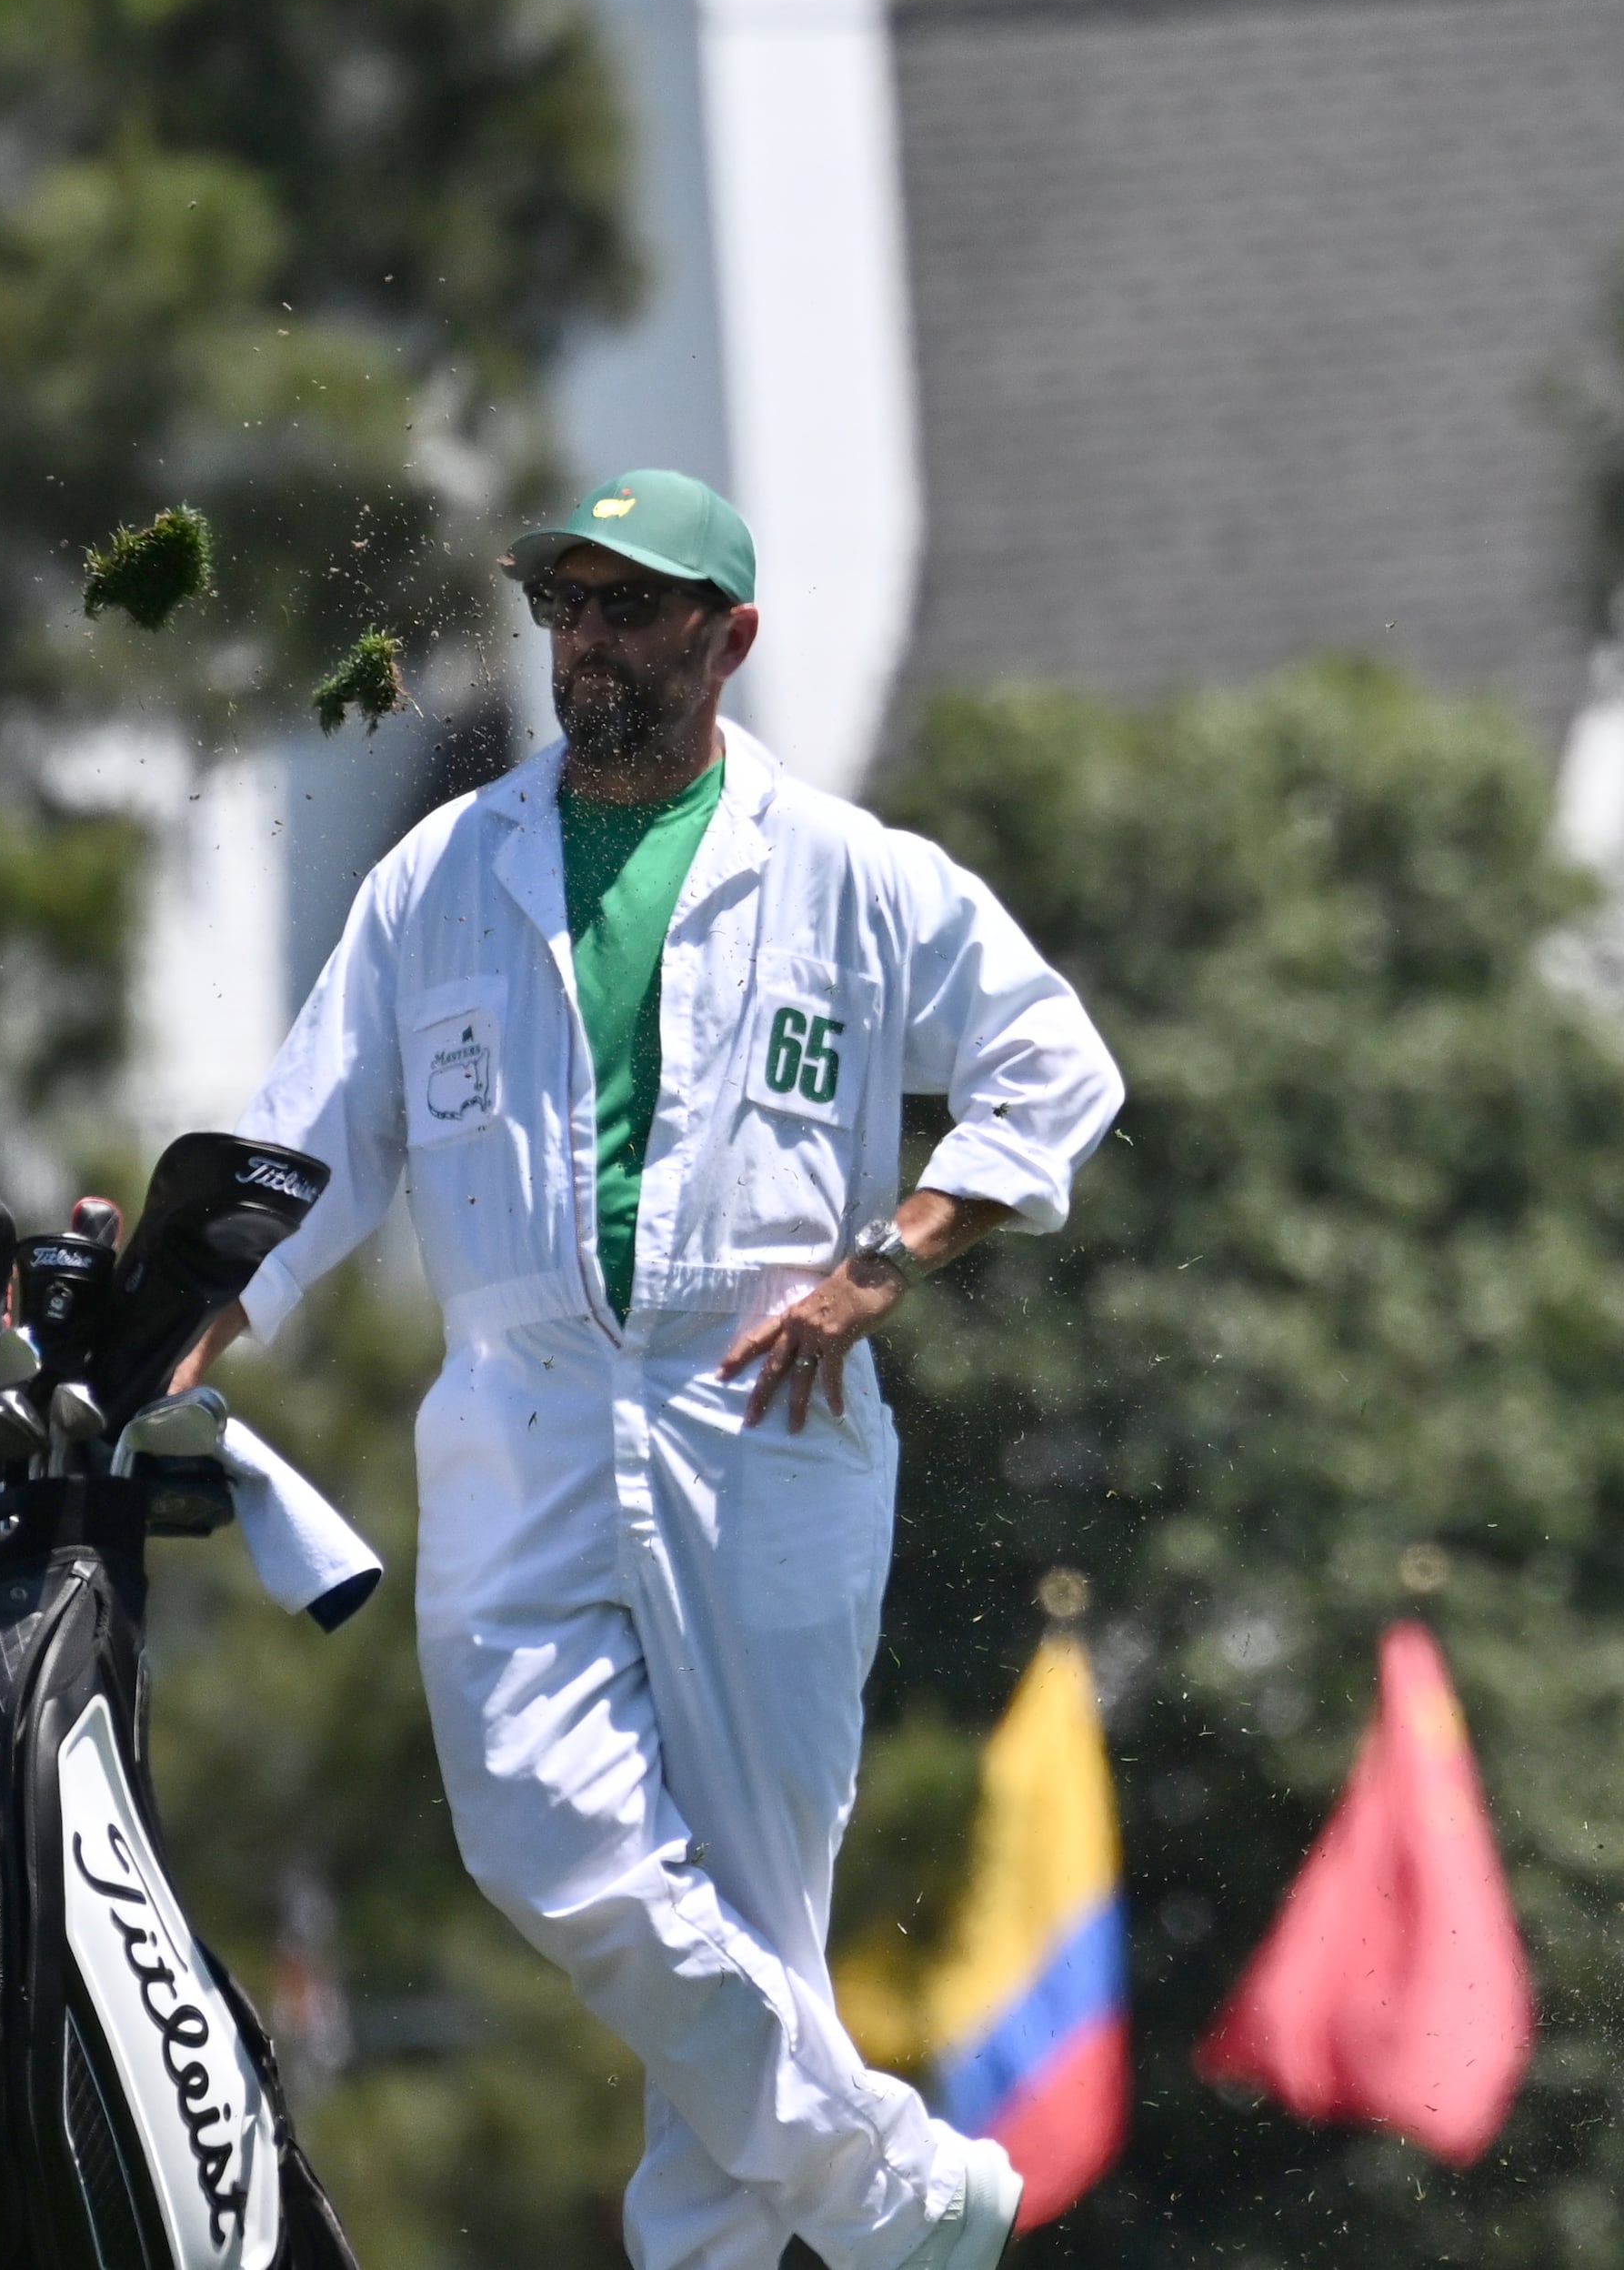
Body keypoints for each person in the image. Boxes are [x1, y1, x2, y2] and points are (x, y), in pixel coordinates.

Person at [176, 467, 1122, 2270]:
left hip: (761, 1415)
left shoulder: (851, 871)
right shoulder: (436, 880)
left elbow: (1054, 1072)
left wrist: (883, 1260)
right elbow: (304, 1160)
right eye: (569, 604)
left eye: (631, 605)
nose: (589, 639)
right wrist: (169, 1319)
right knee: (544, 1835)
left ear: (727, 635)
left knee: (756, 1928)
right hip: (516, 1414)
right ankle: (893, 2194)